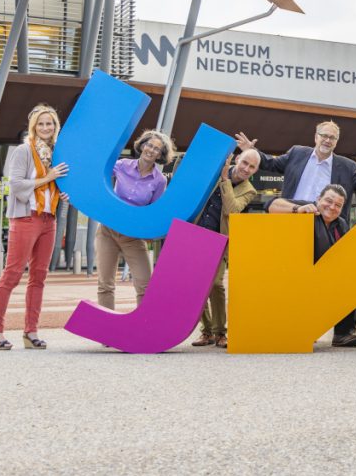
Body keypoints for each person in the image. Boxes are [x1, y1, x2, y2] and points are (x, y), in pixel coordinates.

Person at [0, 104, 68, 350]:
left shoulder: (57, 153)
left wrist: (62, 193)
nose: (45, 127)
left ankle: (31, 332)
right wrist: (48, 178)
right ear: (34, 127)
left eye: (49, 123)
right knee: (12, 274)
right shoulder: (24, 150)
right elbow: (16, 185)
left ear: (55, 127)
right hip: (26, 217)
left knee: (39, 277)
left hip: (48, 219)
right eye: (41, 124)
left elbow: (56, 185)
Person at [237, 121, 356, 222]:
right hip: (292, 217)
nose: (327, 140)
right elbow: (270, 163)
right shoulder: (297, 153)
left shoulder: (347, 166)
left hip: (325, 225)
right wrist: (251, 151)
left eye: (332, 138)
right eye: (324, 135)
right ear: (316, 137)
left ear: (336, 142)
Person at [95, 129, 173, 310]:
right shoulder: (122, 165)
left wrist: (149, 233)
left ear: (160, 155)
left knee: (145, 285)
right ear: (142, 146)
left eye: (156, 149)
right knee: (105, 284)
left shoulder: (160, 181)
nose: (151, 150)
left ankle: (144, 325)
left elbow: (153, 212)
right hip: (108, 231)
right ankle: (107, 326)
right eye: (149, 145)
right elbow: (98, 176)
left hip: (133, 236)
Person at [191, 149, 260, 349]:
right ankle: (207, 331)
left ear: (255, 171)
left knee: (215, 284)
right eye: (245, 162)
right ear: (237, 159)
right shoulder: (214, 170)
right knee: (196, 284)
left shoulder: (249, 190)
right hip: (195, 234)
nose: (246, 169)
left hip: (219, 241)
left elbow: (232, 209)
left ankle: (220, 332)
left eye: (252, 167)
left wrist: (225, 180)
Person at [289, 184, 356, 348]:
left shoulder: (341, 224)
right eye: (328, 201)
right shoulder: (307, 210)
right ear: (318, 199)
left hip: (328, 276)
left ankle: (343, 334)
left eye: (338, 205)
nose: (332, 207)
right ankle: (302, 330)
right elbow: (271, 204)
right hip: (302, 274)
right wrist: (296, 209)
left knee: (352, 281)